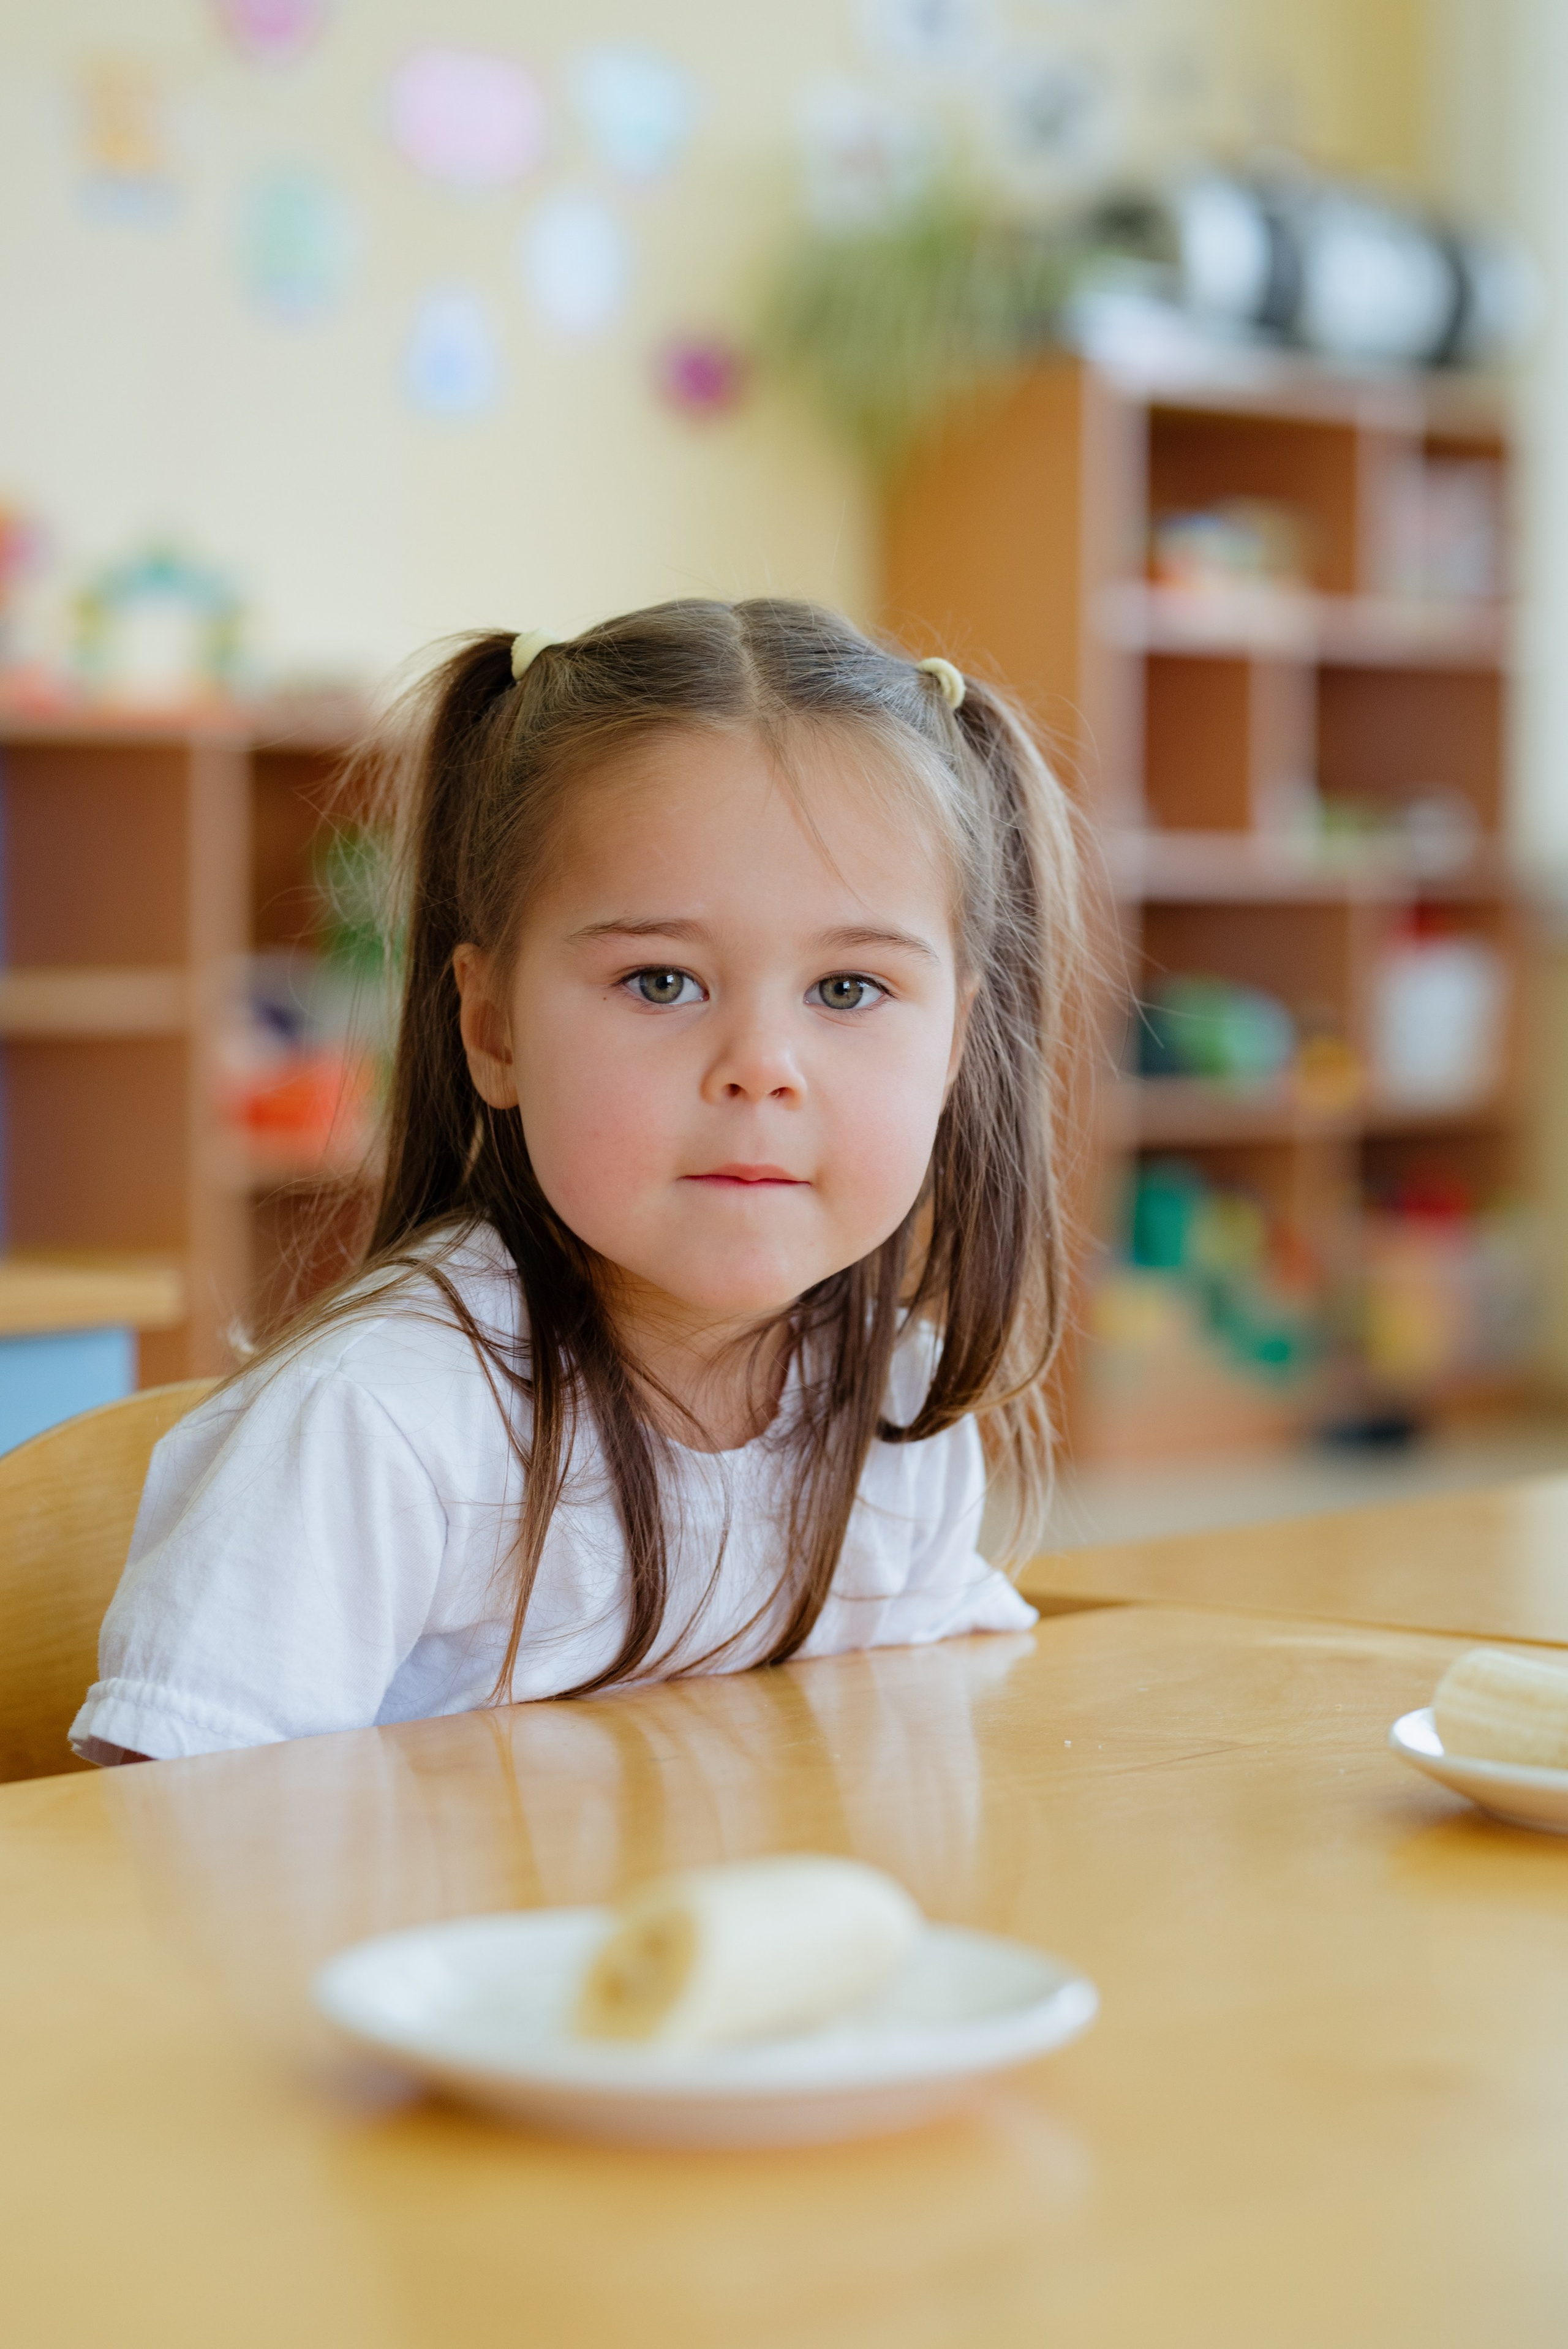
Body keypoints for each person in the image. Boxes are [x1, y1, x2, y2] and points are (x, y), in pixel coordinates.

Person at [71, 597, 1084, 1763]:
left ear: (956, 1043)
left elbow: (899, 1764)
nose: (762, 1070)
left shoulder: (898, 1407)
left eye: (848, 990)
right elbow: (173, 1860)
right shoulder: (379, 1424)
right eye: (661, 982)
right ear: (493, 1028)